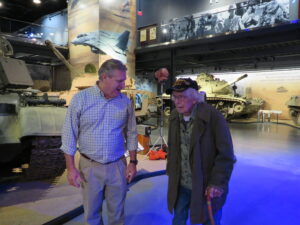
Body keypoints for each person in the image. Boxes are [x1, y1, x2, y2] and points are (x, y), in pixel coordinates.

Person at [60, 59, 138, 225]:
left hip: (118, 166)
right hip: (90, 167)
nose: (123, 85)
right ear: (104, 77)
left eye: (123, 80)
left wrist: (133, 162)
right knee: (92, 214)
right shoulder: (81, 99)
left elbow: (131, 133)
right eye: (119, 81)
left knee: (117, 213)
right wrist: (71, 168)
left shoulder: (124, 102)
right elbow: (69, 135)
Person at [165, 78, 236, 225]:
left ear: (195, 98)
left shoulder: (213, 117)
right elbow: (173, 148)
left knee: (208, 219)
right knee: (178, 219)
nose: (177, 102)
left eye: (182, 97)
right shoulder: (173, 117)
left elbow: (226, 155)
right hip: (180, 183)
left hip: (205, 185)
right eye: (175, 97)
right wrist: (171, 171)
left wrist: (217, 183)